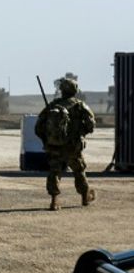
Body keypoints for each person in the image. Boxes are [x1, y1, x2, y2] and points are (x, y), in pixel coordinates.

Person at [35, 76, 97, 211]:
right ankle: (85, 196)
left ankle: (54, 201)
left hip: (55, 146)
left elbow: (38, 127)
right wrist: (81, 133)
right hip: (73, 146)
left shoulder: (53, 106)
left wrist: (48, 140)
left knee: (54, 172)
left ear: (61, 90)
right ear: (75, 90)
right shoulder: (80, 105)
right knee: (79, 170)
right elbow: (91, 125)